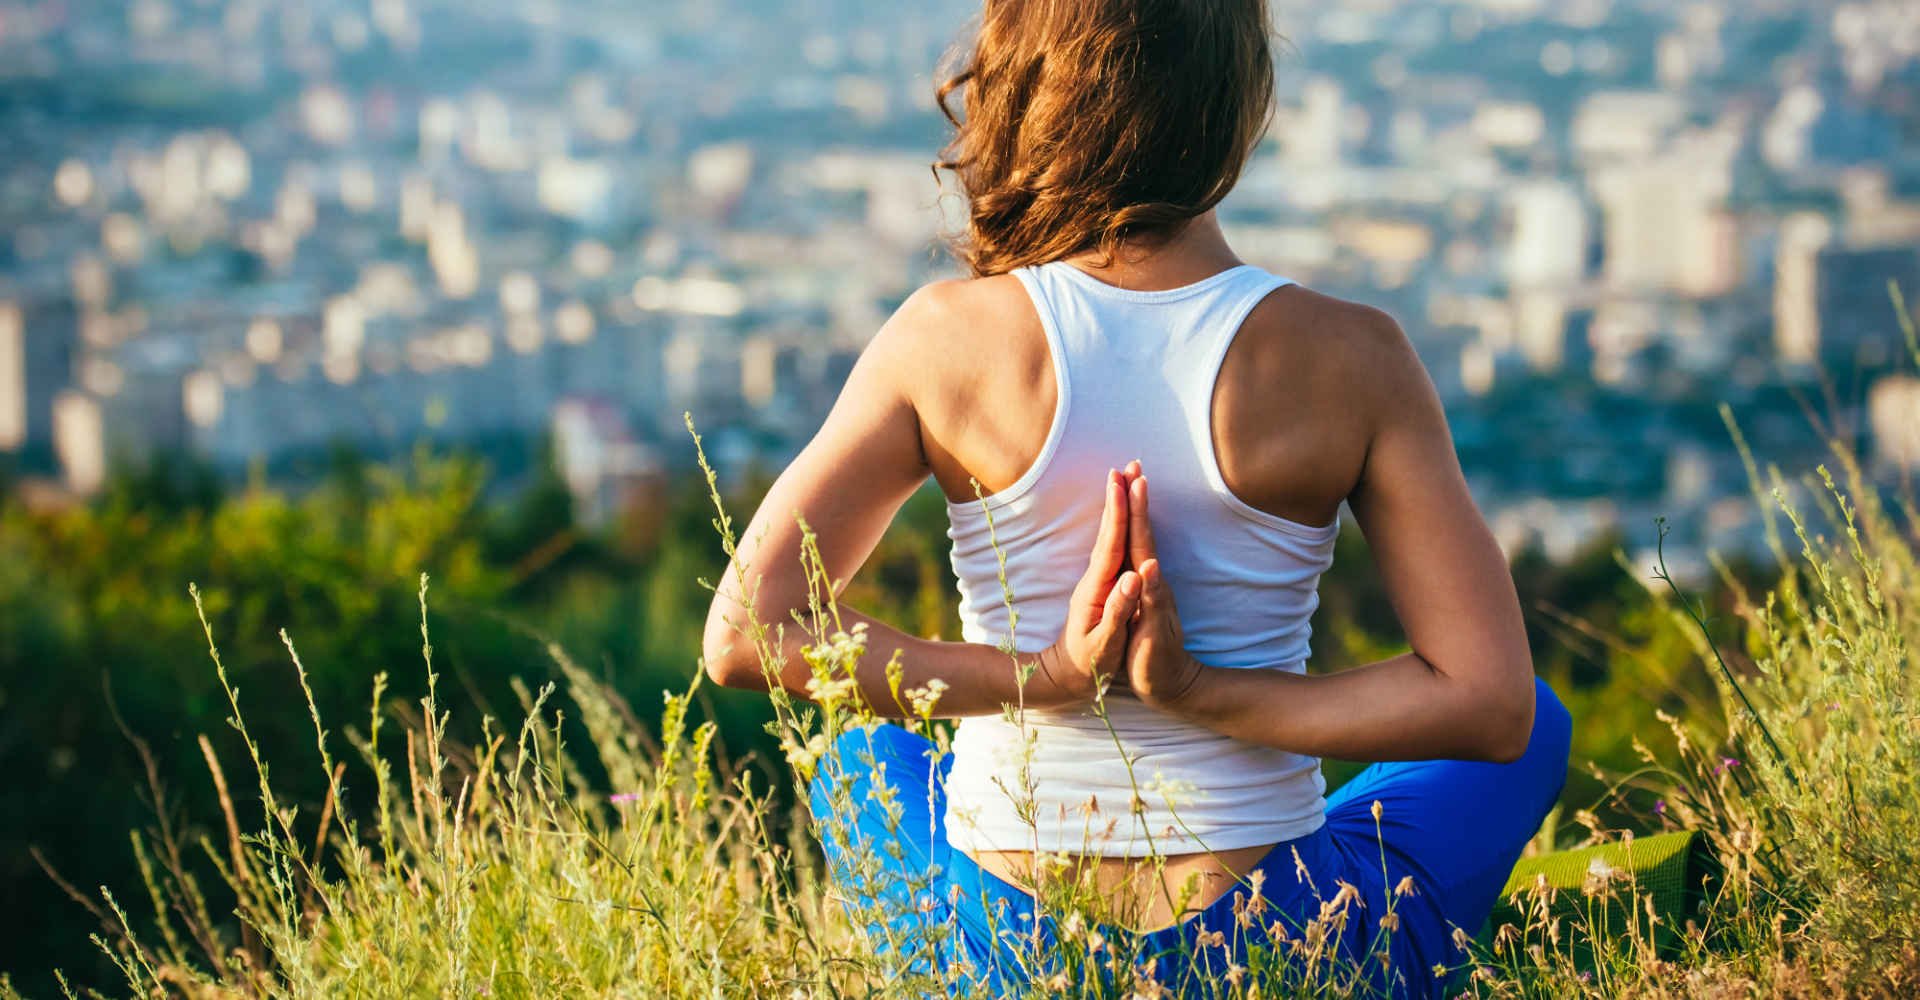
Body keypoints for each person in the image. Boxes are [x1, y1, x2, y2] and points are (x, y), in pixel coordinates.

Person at [701, 1, 1571, 995]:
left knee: (862, 759)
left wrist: (1044, 676)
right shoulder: (1354, 355)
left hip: (1002, 957)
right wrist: (1202, 693)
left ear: (1026, 91)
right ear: (1238, 104)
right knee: (1539, 723)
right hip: (1279, 949)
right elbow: (1492, 705)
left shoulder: (942, 340)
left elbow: (745, 633)